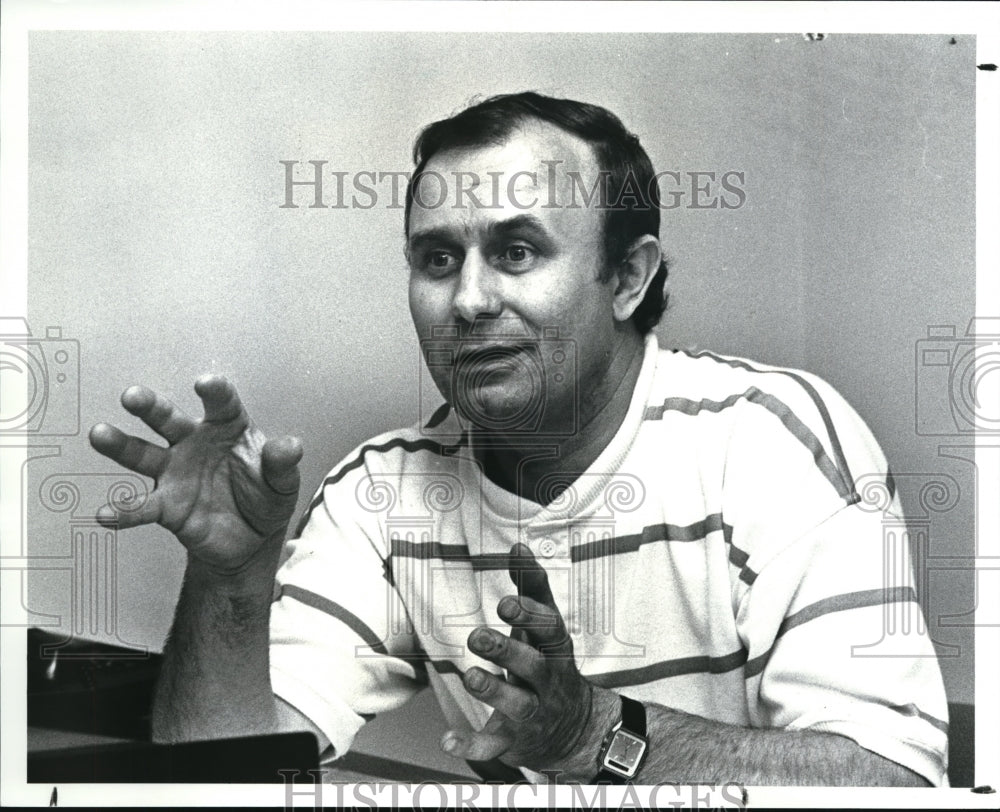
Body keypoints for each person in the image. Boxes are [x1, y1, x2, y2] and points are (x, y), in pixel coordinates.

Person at [89, 92, 948, 786]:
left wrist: (595, 734)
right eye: (436, 260)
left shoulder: (773, 440)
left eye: (518, 251)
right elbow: (223, 778)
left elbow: (893, 780)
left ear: (627, 277)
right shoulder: (382, 494)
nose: (467, 301)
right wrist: (230, 579)